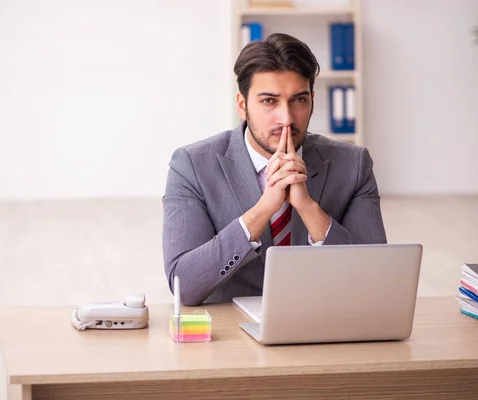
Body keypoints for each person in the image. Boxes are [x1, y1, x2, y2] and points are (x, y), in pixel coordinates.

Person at [162, 33, 387, 306]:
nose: (287, 118)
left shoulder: (354, 164)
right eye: (269, 101)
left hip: (323, 321)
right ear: (243, 105)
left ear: (312, 101)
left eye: (299, 100)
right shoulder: (192, 165)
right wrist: (263, 209)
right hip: (230, 333)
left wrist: (308, 208)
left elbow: (376, 279)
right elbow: (184, 285)